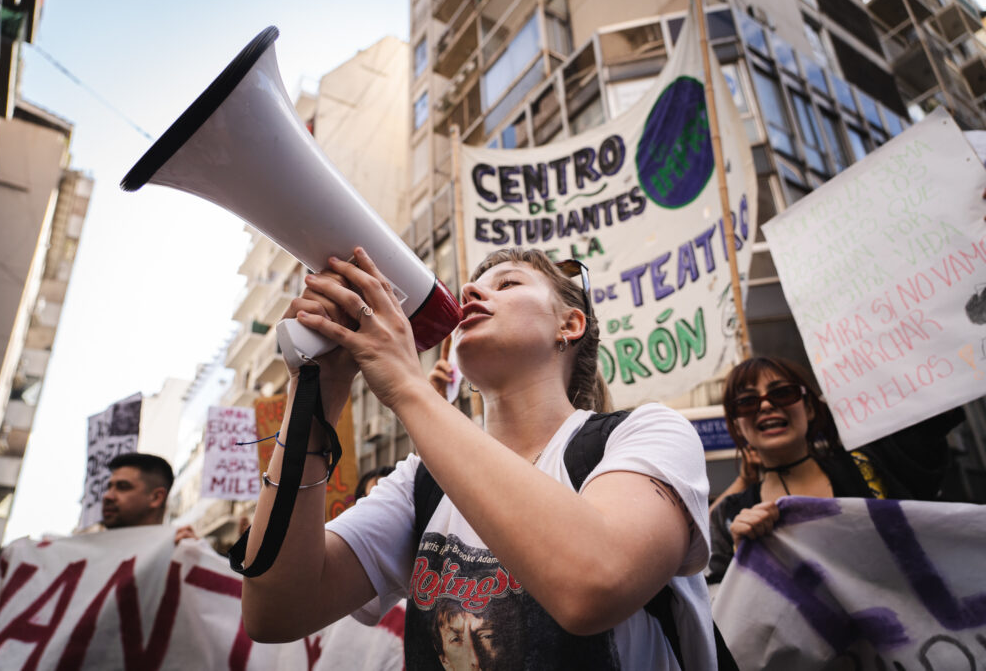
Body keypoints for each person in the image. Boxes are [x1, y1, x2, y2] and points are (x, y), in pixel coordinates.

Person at [241, 246, 715, 669]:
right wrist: (316, 398)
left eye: (507, 283)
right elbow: (276, 611)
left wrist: (407, 387)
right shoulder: (420, 483)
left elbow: (595, 584)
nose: (469, 290)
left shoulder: (645, 433)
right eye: (474, 284)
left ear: (569, 325)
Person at [707, 356, 960, 583]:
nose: (765, 406)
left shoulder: (870, 465)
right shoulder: (730, 518)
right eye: (747, 402)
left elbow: (933, 413)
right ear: (738, 426)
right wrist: (744, 560)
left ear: (808, 408)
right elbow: (725, 614)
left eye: (783, 393)